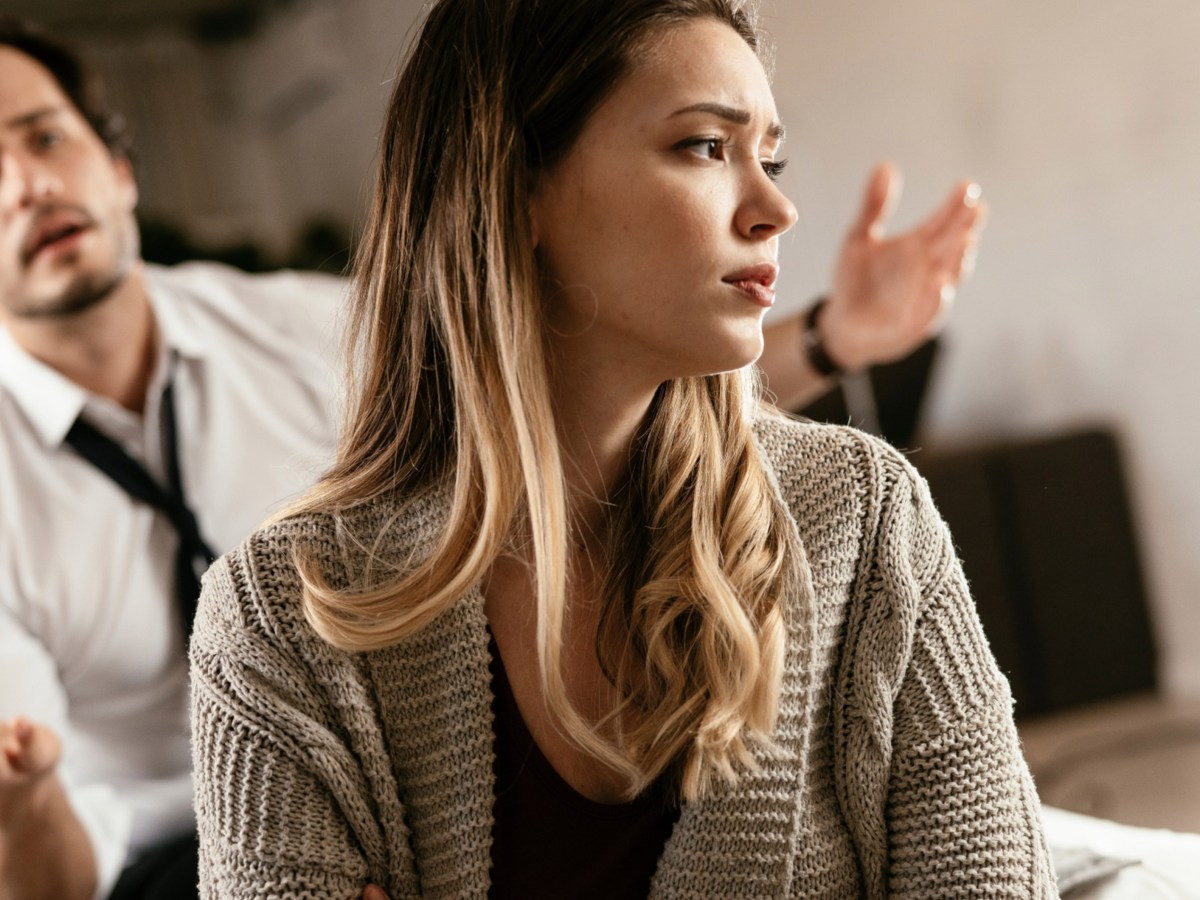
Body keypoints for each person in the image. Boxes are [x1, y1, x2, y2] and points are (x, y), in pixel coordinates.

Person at [0, 11, 983, 900]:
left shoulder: (293, 327)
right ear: (514, 190)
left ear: (118, 166)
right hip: (147, 852)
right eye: (704, 145)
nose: (29, 183)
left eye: (43, 136)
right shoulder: (272, 611)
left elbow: (533, 375)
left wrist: (832, 343)